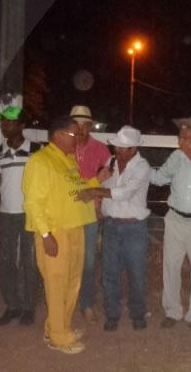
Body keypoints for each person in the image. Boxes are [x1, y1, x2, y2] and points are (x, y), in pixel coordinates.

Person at [22, 115, 96, 355]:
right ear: (58, 135)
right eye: (74, 134)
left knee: (72, 283)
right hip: (55, 232)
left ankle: (57, 327)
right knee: (56, 285)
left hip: (75, 228)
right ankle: (59, 338)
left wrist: (97, 181)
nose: (78, 138)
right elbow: (33, 203)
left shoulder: (67, 160)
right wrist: (45, 235)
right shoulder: (41, 161)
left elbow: (76, 191)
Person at [78, 126, 151, 332]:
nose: (118, 150)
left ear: (134, 148)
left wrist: (94, 190)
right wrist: (99, 202)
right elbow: (106, 189)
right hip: (111, 225)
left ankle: (137, 313)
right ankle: (112, 314)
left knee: (136, 273)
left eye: (123, 147)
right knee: (110, 273)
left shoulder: (142, 167)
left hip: (133, 227)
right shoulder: (111, 162)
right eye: (117, 146)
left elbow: (123, 193)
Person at [150, 116, 191, 331]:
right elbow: (159, 178)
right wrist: (137, 167)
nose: (179, 141)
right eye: (180, 137)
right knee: (171, 267)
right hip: (175, 220)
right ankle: (172, 311)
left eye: (184, 137)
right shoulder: (176, 157)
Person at [0, 106, 42, 326]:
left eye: (9, 122)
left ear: (22, 125)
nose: (4, 125)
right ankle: (13, 306)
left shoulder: (38, 150)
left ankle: (29, 307)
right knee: (7, 262)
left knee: (30, 263)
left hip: (31, 214)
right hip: (6, 215)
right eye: (2, 122)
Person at [69, 105, 110, 323]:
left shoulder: (101, 149)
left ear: (90, 125)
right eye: (76, 123)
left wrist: (100, 203)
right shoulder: (64, 147)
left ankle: (86, 303)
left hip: (91, 212)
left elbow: (111, 177)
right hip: (65, 212)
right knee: (67, 258)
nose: (81, 128)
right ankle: (68, 302)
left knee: (89, 261)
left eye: (85, 124)